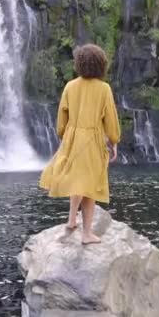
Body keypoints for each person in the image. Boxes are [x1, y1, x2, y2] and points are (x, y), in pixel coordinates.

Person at [39, 44, 121, 245]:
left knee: (77, 180)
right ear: (101, 64)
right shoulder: (104, 89)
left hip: (72, 138)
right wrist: (114, 141)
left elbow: (61, 118)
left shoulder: (70, 86)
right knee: (90, 187)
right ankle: (86, 234)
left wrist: (64, 137)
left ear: (79, 64)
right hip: (92, 141)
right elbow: (110, 119)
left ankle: (70, 221)